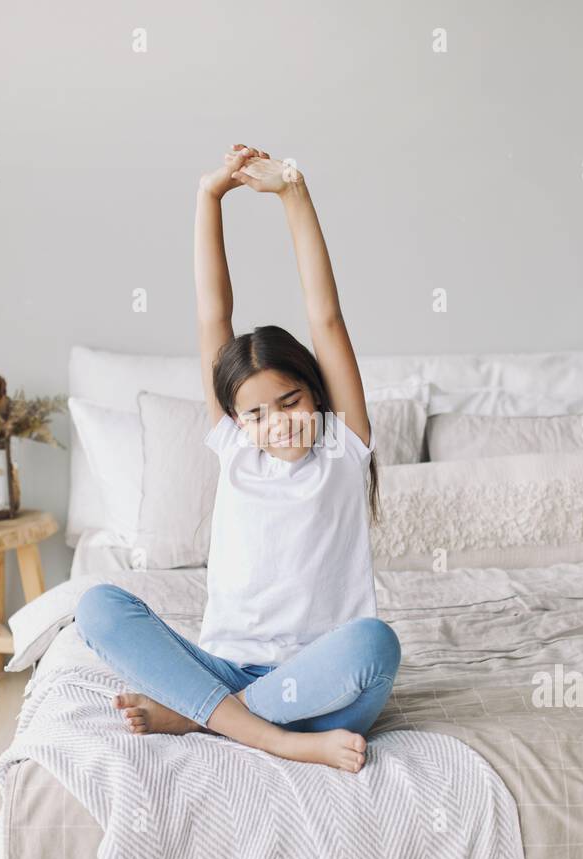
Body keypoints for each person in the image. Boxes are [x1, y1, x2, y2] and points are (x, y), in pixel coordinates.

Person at [75, 144, 400, 773]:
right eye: (255, 414)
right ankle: (272, 737)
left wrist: (292, 193)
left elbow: (326, 317)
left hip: (318, 685)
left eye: (290, 400)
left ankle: (203, 714)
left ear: (315, 391)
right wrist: (208, 196)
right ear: (236, 418)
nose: (276, 424)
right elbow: (211, 313)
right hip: (227, 664)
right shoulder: (232, 446)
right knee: (95, 606)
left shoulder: (341, 444)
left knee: (375, 645)